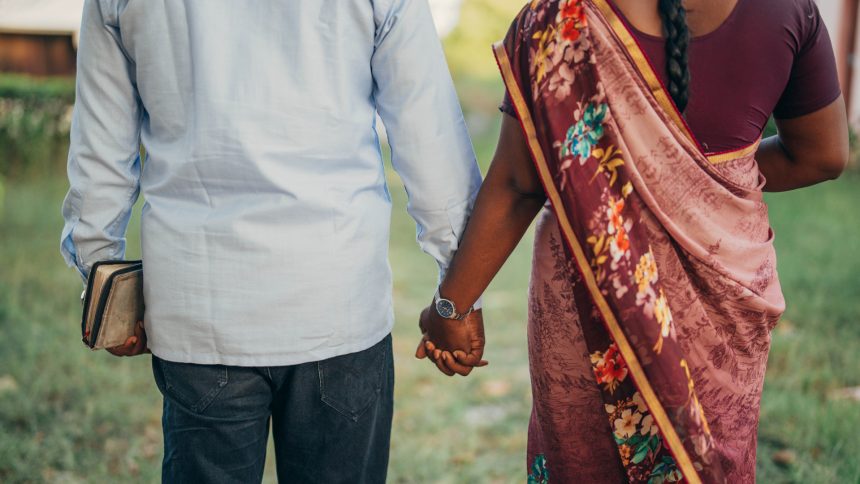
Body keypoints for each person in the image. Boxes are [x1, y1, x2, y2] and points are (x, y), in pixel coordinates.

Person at [416, 0, 848, 482]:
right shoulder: (788, 10)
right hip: (727, 309)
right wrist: (698, 183)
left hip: (586, 307)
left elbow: (520, 184)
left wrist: (451, 308)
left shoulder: (560, 21)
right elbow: (822, 155)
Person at [60, 0, 482, 481]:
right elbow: (429, 136)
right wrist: (460, 296)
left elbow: (100, 153)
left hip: (200, 307)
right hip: (336, 303)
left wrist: (102, 280)